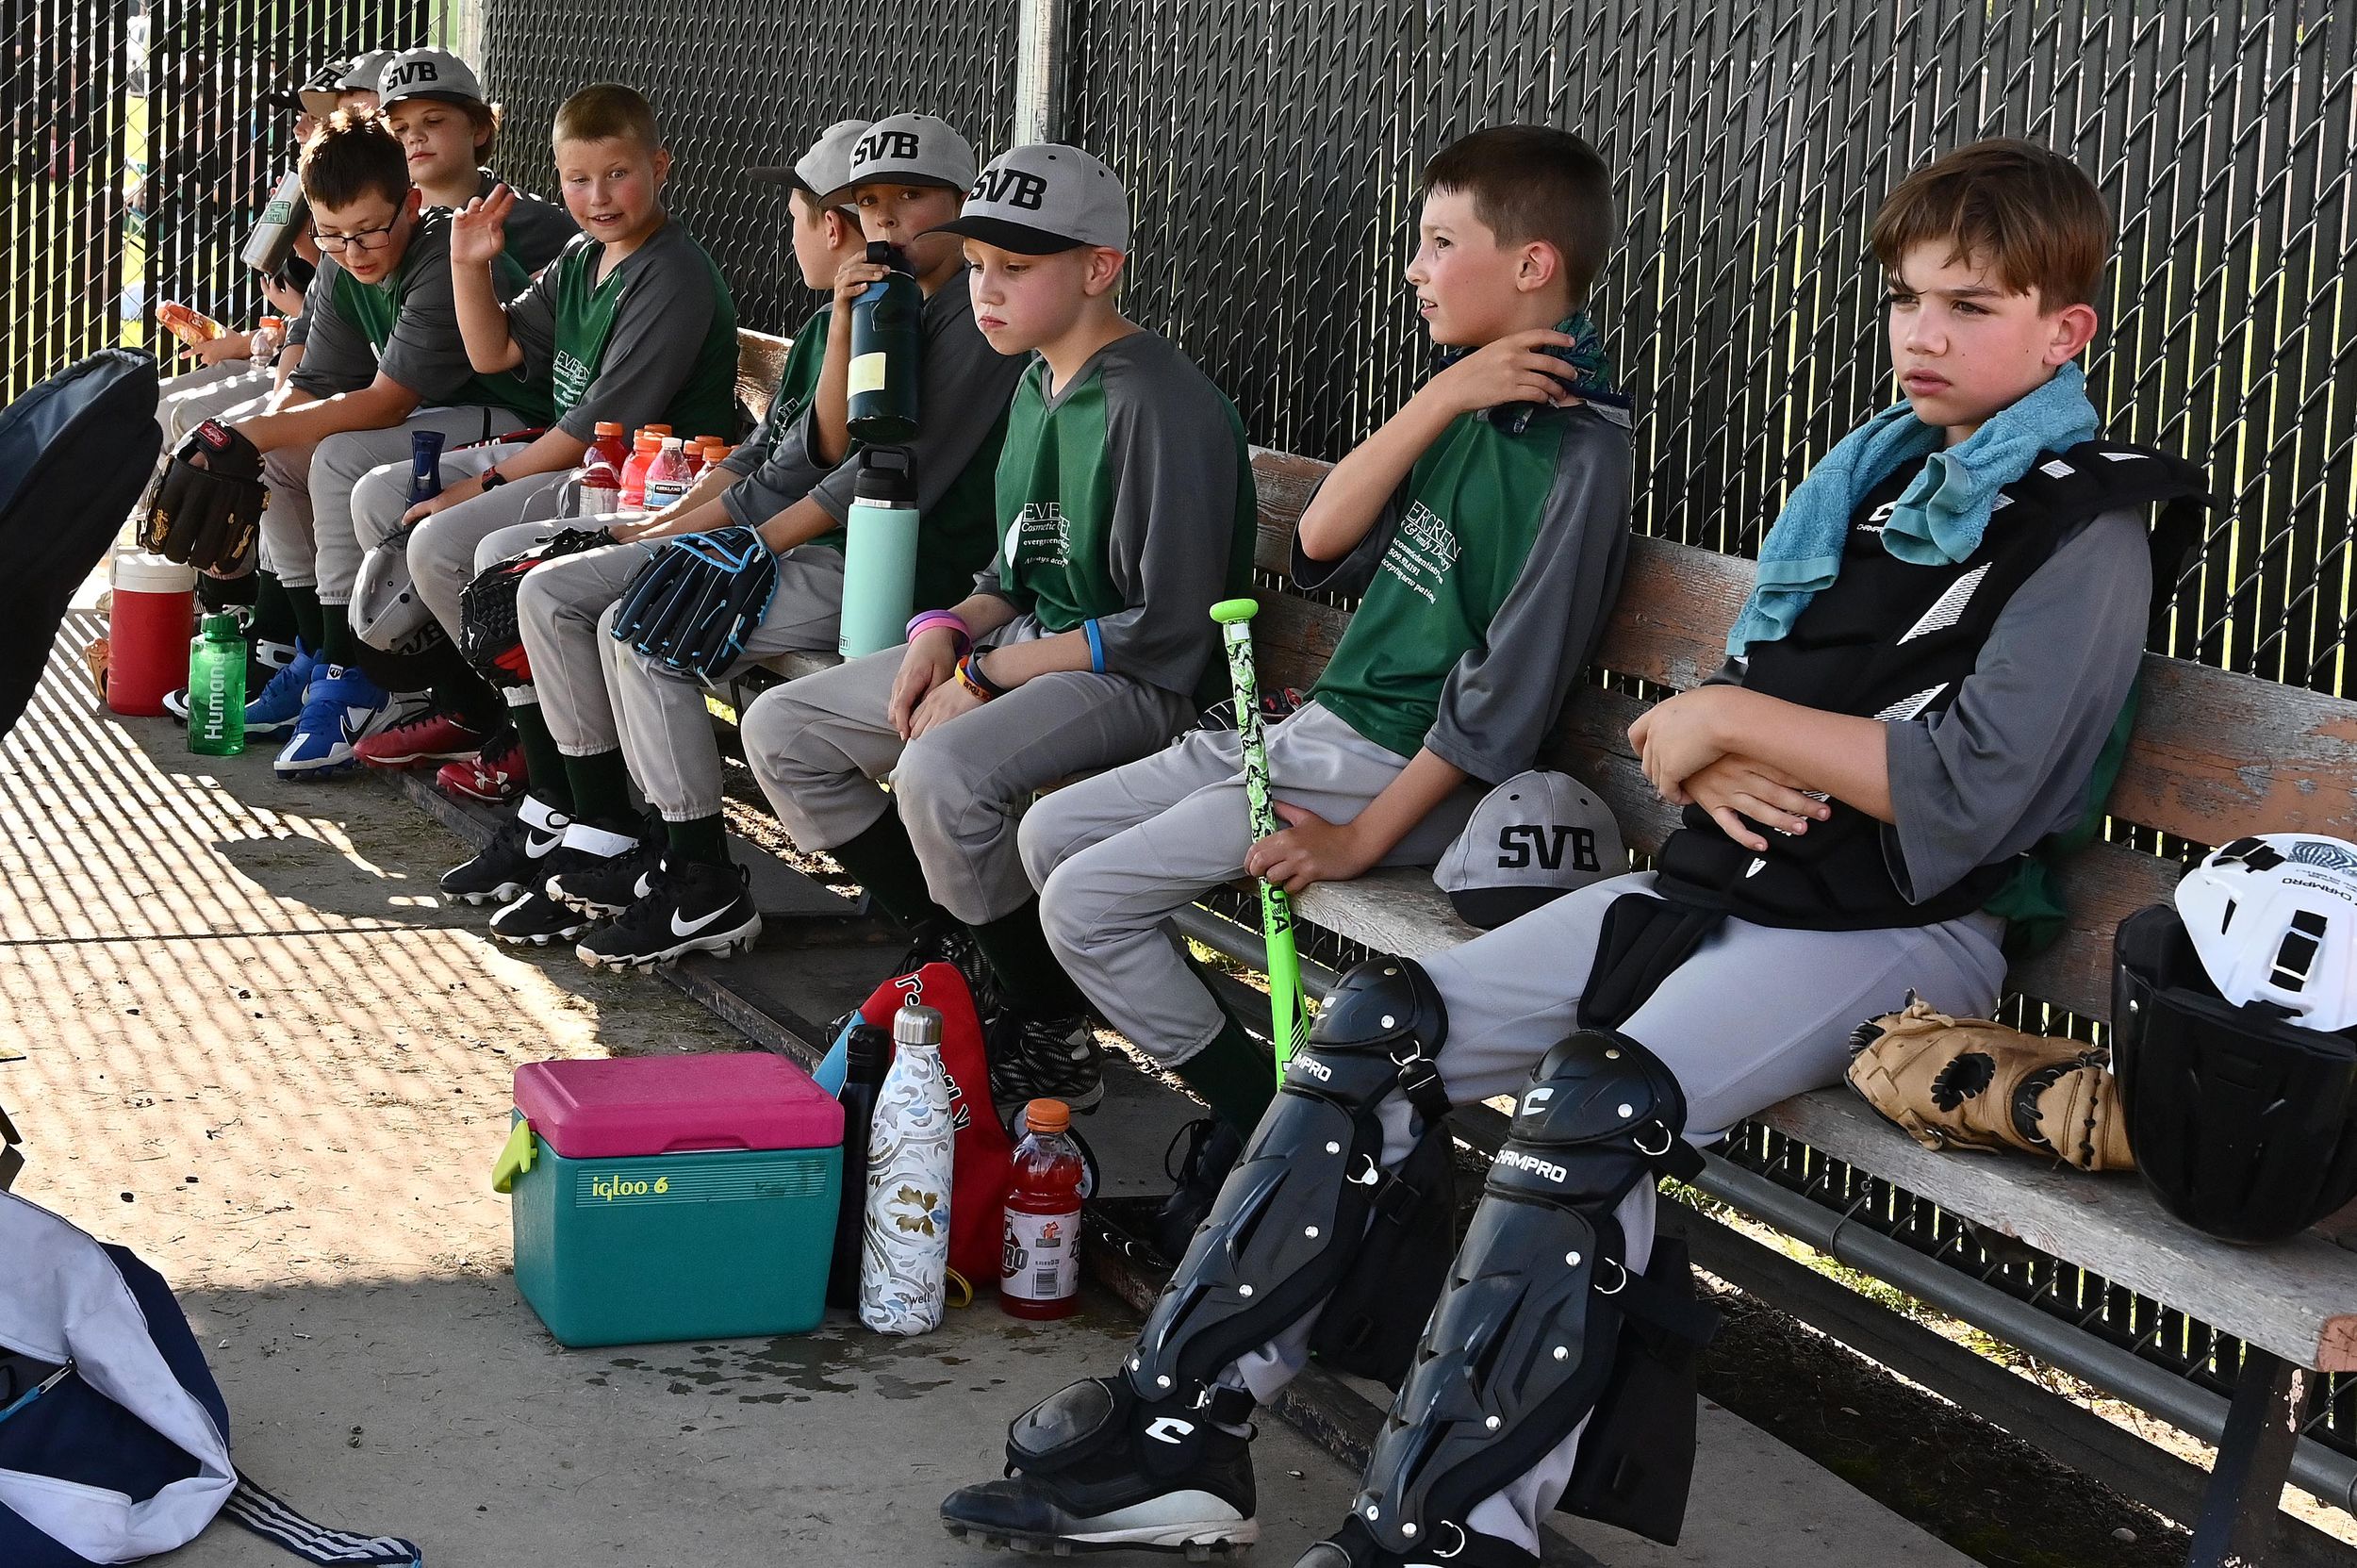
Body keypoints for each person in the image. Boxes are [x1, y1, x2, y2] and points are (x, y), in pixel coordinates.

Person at [938, 137, 2211, 1568]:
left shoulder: (2087, 523)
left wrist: (1727, 719)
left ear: (2065, 329)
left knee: (1593, 1106)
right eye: (1910, 298)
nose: (1923, 332)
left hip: (1893, 929)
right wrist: (1720, 738)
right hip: (1726, 883)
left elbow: (1969, 793)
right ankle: (1180, 1430)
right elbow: (1750, 694)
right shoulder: (1882, 471)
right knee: (1378, 1026)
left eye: (1970, 306)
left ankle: (1452, 1528)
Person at [1015, 125, 1632, 1224]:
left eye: (1441, 242)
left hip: (1394, 769)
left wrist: (1360, 839)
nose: (1413, 268)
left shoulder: (1578, 449)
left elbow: (1504, 696)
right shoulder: (1467, 403)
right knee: (1045, 835)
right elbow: (1319, 541)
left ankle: (1273, 1140)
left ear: (1532, 264)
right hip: (1327, 734)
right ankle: (1272, 1120)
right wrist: (1443, 398)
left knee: (1084, 898)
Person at [740, 140, 1259, 1113]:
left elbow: (1167, 629)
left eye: (1017, 267)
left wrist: (983, 679)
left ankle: (1043, 1017)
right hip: (1031, 650)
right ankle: (970, 954)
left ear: (1098, 269)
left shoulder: (1156, 400)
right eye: (978, 264)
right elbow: (1010, 573)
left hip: (1140, 684)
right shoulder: (1035, 378)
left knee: (942, 772)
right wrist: (944, 631)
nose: (987, 289)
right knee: (784, 730)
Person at [447, 113, 1024, 960]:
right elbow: (827, 443)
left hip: (904, 575)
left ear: (963, 206)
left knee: (642, 630)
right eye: (873, 203)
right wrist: (842, 316)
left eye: (915, 198)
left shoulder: (975, 323)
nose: (891, 219)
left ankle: (696, 874)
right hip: (837, 550)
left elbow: (880, 478)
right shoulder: (891, 303)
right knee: (611, 610)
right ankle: (651, 848)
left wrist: (749, 542)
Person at [338, 81, 734, 773]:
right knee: (381, 495)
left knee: (441, 541)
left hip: (643, 487)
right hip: (575, 464)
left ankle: (534, 741)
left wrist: (480, 485)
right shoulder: (583, 258)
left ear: (660, 167)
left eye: (618, 174)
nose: (600, 197)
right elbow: (495, 350)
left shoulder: (671, 273)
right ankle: (478, 705)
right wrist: (470, 265)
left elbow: (588, 431)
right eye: (579, 180)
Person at [211, 108, 549, 779]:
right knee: (274, 455)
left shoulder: (438, 249)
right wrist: (234, 439)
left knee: (338, 458)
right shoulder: (339, 265)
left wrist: (248, 428)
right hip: (444, 422)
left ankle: (356, 676)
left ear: (412, 203)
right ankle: (317, 654)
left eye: (369, 230)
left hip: (519, 422)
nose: (354, 251)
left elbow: (384, 400)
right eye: (332, 236)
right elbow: (309, 387)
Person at [375, 47, 575, 270]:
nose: (414, 137)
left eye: (433, 120)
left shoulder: (534, 223)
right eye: (399, 128)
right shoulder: (379, 225)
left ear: (479, 128)